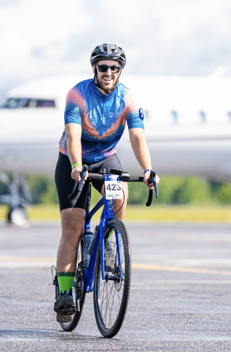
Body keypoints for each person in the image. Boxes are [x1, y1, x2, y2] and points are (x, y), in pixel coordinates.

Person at [53, 43, 159, 321]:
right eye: (103, 67)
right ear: (94, 69)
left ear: (120, 71)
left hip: (105, 158)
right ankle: (64, 293)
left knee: (119, 195)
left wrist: (148, 169)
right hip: (73, 159)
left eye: (114, 67)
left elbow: (137, 136)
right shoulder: (77, 94)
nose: (108, 72)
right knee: (73, 227)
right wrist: (76, 165)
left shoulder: (128, 99)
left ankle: (109, 240)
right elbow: (73, 134)